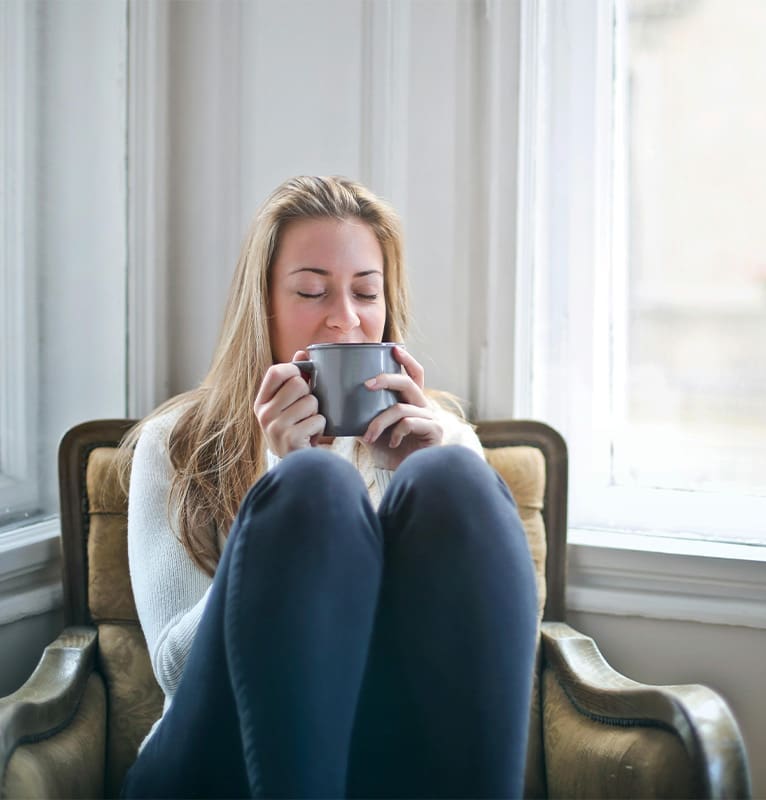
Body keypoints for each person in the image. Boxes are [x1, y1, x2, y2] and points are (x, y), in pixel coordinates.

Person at [120, 175, 538, 799]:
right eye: (312, 291)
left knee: (452, 476)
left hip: (385, 755)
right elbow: (177, 671)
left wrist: (406, 480)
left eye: (366, 293)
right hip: (212, 756)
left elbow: (492, 664)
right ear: (261, 304)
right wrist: (278, 477)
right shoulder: (176, 441)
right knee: (313, 486)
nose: (345, 319)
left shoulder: (442, 438)